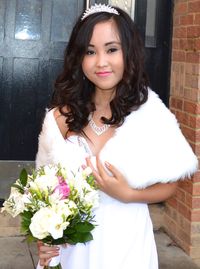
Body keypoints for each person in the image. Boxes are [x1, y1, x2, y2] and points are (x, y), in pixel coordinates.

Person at [36, 4, 198, 269]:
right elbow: (44, 191)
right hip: (72, 249)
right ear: (79, 57)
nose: (101, 62)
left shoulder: (149, 115)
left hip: (126, 244)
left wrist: (127, 193)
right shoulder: (59, 118)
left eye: (112, 49)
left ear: (128, 53)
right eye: (90, 51)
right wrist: (43, 237)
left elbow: (172, 184)